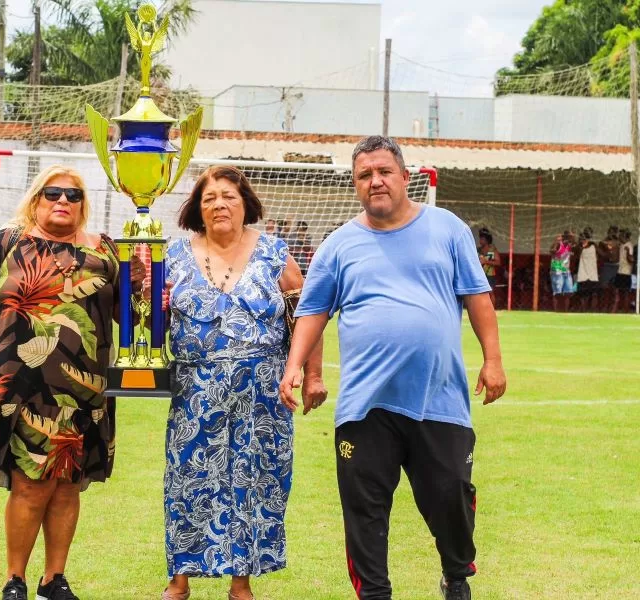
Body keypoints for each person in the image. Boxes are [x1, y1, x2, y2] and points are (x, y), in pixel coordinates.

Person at [279, 136, 506, 600]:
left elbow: (477, 297)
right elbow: (313, 310)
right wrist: (295, 367)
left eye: (384, 171)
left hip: (439, 399)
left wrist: (493, 359)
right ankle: (374, 594)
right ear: (355, 185)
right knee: (364, 510)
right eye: (364, 175)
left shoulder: (447, 229)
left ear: (405, 176)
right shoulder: (340, 245)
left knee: (450, 497)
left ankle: (455, 572)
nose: (375, 181)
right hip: (366, 404)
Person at [0, 165, 145, 600]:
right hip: (20, 384)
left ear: (83, 205)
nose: (62, 202)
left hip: (84, 386)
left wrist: (141, 284)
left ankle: (54, 578)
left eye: (73, 196)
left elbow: (126, 317)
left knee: (67, 484)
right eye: (53, 193)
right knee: (30, 484)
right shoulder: (8, 242)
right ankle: (14, 579)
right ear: (36, 198)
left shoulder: (105, 250)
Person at [162, 165, 327, 600]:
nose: (220, 204)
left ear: (246, 204)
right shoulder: (173, 255)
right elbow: (148, 317)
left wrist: (313, 375)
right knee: (187, 480)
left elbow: (306, 315)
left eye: (229, 196)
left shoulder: (274, 252)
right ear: (197, 208)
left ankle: (242, 583)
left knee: (254, 481)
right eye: (210, 197)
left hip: (264, 394)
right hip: (194, 392)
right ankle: (179, 580)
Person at [549, 230, 574, 312]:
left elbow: (575, 246)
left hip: (566, 270)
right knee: (557, 292)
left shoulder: (570, 245)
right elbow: (552, 251)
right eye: (568, 237)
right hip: (557, 269)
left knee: (568, 291)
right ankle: (556, 310)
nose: (570, 239)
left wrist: (572, 237)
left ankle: (566, 311)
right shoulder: (558, 244)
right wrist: (556, 242)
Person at [575, 228, 599, 311]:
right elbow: (577, 257)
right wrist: (581, 246)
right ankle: (584, 309)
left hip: (593, 274)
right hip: (583, 274)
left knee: (594, 294)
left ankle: (592, 310)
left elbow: (602, 254)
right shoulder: (579, 247)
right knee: (582, 294)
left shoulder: (594, 245)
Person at [597, 225, 620, 311]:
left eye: (614, 232)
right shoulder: (604, 242)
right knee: (604, 287)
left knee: (615, 288)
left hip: (616, 266)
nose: (612, 233)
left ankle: (613, 308)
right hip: (607, 265)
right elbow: (602, 253)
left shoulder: (618, 242)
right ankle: (604, 306)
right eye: (610, 231)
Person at [476, 228, 500, 307]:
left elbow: (498, 262)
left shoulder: (492, 250)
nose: (480, 241)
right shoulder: (478, 250)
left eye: (482, 239)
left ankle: (492, 310)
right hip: (480, 274)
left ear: (487, 240)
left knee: (490, 292)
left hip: (490, 275)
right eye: (480, 239)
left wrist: (486, 262)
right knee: (478, 293)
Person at [614, 229, 634, 313]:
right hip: (620, 271)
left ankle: (626, 310)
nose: (619, 237)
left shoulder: (629, 245)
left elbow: (631, 260)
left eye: (621, 235)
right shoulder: (621, 245)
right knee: (617, 291)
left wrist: (628, 253)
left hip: (626, 273)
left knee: (625, 292)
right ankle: (617, 309)